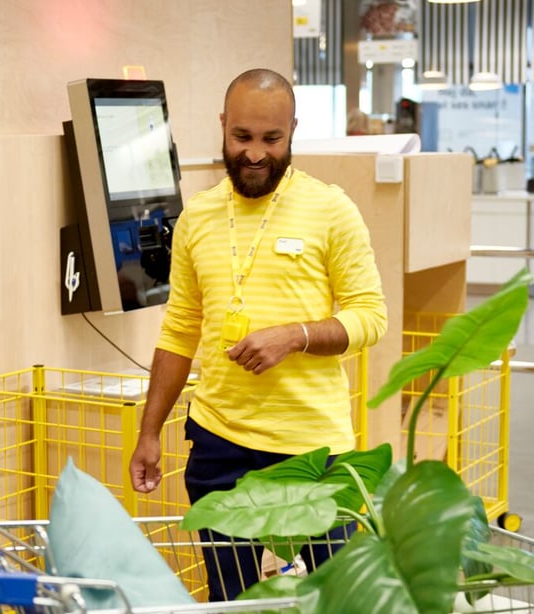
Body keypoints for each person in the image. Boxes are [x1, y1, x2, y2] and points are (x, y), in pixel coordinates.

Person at [127, 68, 387, 601]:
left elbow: (370, 317)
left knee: (338, 601)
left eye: (272, 139)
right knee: (232, 602)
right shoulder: (197, 217)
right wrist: (150, 432)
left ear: (293, 130)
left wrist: (295, 335)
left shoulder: (331, 210)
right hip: (218, 445)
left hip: (313, 451)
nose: (254, 154)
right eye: (241, 137)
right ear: (223, 126)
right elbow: (179, 329)